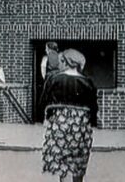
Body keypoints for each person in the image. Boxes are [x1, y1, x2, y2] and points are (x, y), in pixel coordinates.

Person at [38, 48, 98, 182]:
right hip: (80, 125)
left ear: (65, 62)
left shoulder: (54, 79)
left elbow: (43, 101)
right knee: (79, 159)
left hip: (60, 123)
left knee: (62, 161)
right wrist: (92, 122)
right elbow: (93, 107)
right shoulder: (88, 82)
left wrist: (47, 117)